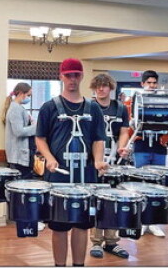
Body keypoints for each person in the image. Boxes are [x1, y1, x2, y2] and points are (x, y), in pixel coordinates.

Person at [36, 58, 108, 267]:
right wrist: (50, 159)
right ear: (61, 76)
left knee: (82, 225)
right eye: (68, 75)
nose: (72, 79)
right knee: (59, 226)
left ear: (82, 76)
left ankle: (79, 265)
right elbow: (40, 138)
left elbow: (98, 139)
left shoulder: (93, 108)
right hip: (59, 173)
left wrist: (98, 161)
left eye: (76, 75)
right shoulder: (50, 107)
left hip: (86, 174)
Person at [88, 74, 130, 259]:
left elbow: (123, 132)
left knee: (113, 199)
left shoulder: (120, 108)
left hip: (113, 158)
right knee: (97, 199)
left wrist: (122, 146)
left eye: (104, 86)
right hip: (94, 159)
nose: (101, 89)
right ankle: (96, 241)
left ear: (110, 88)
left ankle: (112, 241)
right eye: (98, 86)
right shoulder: (88, 106)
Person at [132, 70, 167, 237]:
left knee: (157, 186)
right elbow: (131, 123)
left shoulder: (164, 100)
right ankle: (140, 220)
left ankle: (153, 222)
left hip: (159, 147)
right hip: (141, 146)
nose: (152, 86)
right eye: (149, 83)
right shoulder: (136, 100)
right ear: (142, 84)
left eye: (154, 83)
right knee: (141, 184)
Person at [2, 82, 36, 179]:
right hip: (18, 157)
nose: (29, 98)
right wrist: (36, 127)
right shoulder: (15, 109)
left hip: (22, 155)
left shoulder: (19, 108)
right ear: (21, 93)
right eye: (28, 95)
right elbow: (18, 131)